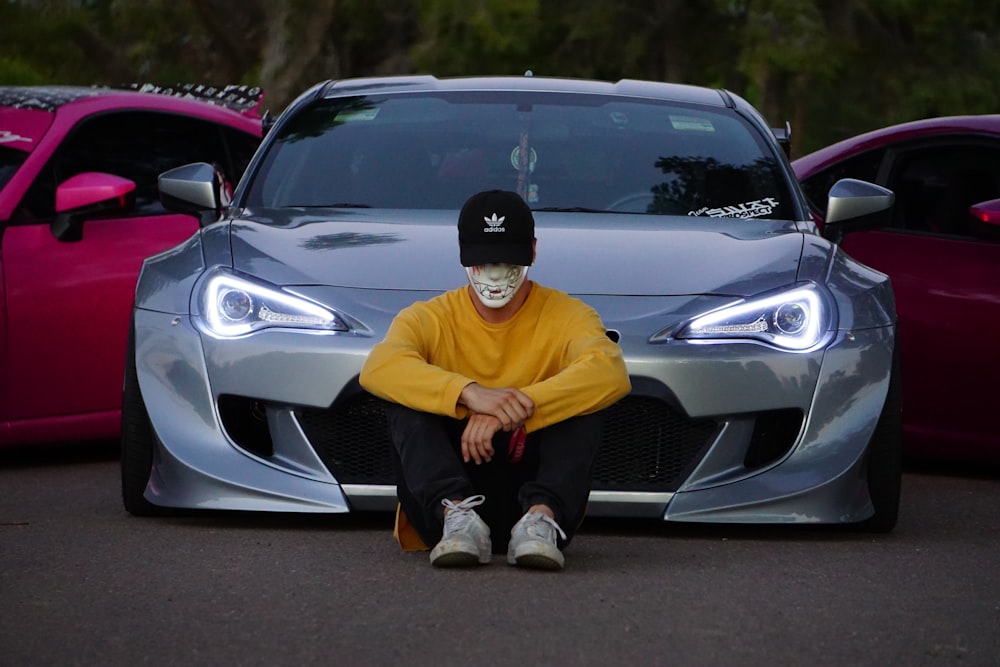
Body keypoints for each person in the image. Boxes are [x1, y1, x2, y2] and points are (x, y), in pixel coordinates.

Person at [359, 189, 631, 570]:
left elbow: (610, 372)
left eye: (507, 257)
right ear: (461, 252)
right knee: (405, 400)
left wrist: (507, 411)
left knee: (586, 403)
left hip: (538, 498)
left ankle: (541, 521)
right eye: (484, 258)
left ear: (533, 252)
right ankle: (456, 516)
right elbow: (379, 367)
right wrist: (469, 394)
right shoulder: (428, 317)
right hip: (443, 512)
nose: (496, 272)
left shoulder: (569, 314)